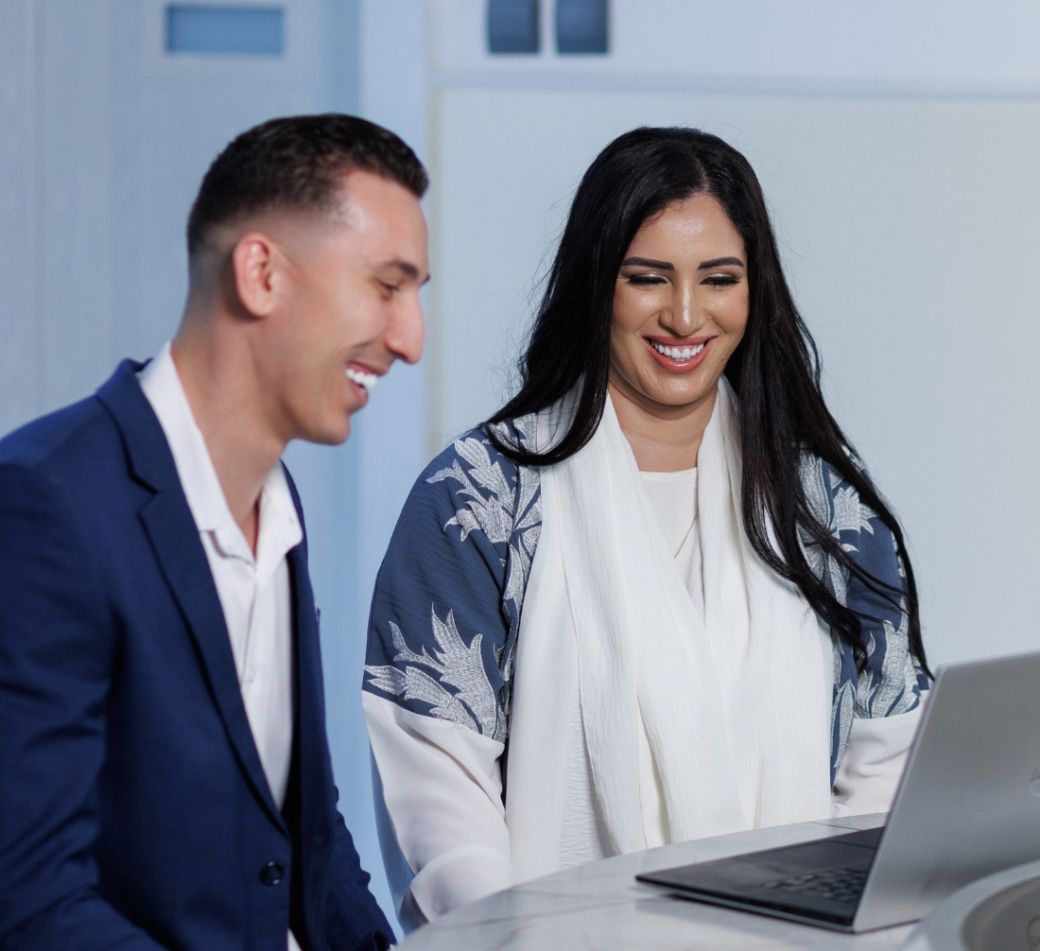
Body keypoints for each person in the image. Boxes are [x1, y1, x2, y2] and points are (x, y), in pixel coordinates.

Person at [363, 126, 930, 929]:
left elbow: (887, 767)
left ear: (754, 290)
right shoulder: (478, 502)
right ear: (598, 283)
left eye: (719, 278)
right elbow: (438, 791)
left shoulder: (827, 511)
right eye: (647, 278)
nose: (686, 315)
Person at [0, 113, 429, 950]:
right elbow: (29, 897)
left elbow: (305, 830)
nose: (410, 339)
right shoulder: (45, 503)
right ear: (261, 273)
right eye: (387, 286)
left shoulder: (281, 504)